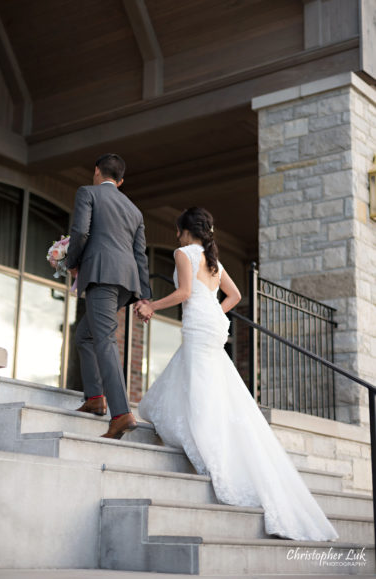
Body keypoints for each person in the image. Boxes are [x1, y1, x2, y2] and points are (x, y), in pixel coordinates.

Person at [136, 207, 338, 541]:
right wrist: (213, 310)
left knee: (201, 383)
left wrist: (151, 306)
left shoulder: (183, 253)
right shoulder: (212, 260)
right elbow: (236, 296)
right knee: (205, 380)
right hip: (212, 324)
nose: (175, 235)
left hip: (200, 325)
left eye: (177, 230)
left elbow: (185, 293)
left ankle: (206, 441)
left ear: (183, 230)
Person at [66, 153, 151, 439]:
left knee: (103, 339)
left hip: (101, 275)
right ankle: (95, 398)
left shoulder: (87, 192)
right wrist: (145, 296)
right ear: (121, 180)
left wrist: (71, 262)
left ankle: (121, 413)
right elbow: (141, 255)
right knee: (85, 335)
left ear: (96, 171)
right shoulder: (135, 211)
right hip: (125, 282)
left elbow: (80, 232)